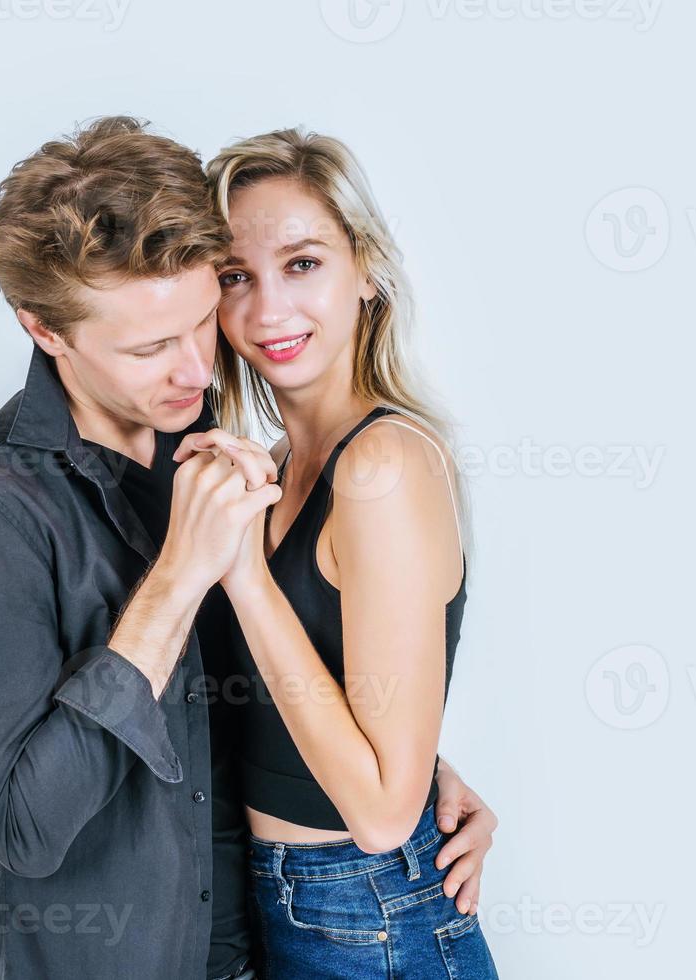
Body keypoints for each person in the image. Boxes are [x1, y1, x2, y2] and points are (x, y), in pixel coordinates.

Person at [0, 116, 497, 980]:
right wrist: (179, 579)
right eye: (149, 347)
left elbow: (249, 692)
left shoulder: (212, 448)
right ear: (44, 331)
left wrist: (420, 766)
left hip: (288, 935)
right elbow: (24, 827)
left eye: (203, 319)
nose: (199, 373)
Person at [168, 128, 501, 978]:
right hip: (287, 902)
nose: (268, 310)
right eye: (236, 277)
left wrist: (244, 578)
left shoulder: (383, 466)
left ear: (368, 270)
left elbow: (385, 816)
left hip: (371, 910)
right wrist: (428, 758)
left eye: (303, 263)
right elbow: (344, 702)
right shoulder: (278, 466)